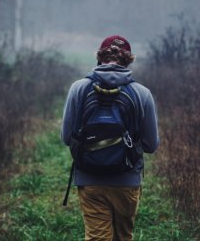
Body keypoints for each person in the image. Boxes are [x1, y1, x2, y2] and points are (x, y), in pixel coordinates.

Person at [61, 35, 160, 241]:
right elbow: (151, 145)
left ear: (100, 57)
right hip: (127, 180)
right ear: (128, 60)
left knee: (97, 238)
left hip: (89, 179)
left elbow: (66, 137)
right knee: (123, 237)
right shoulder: (142, 93)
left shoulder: (78, 88)